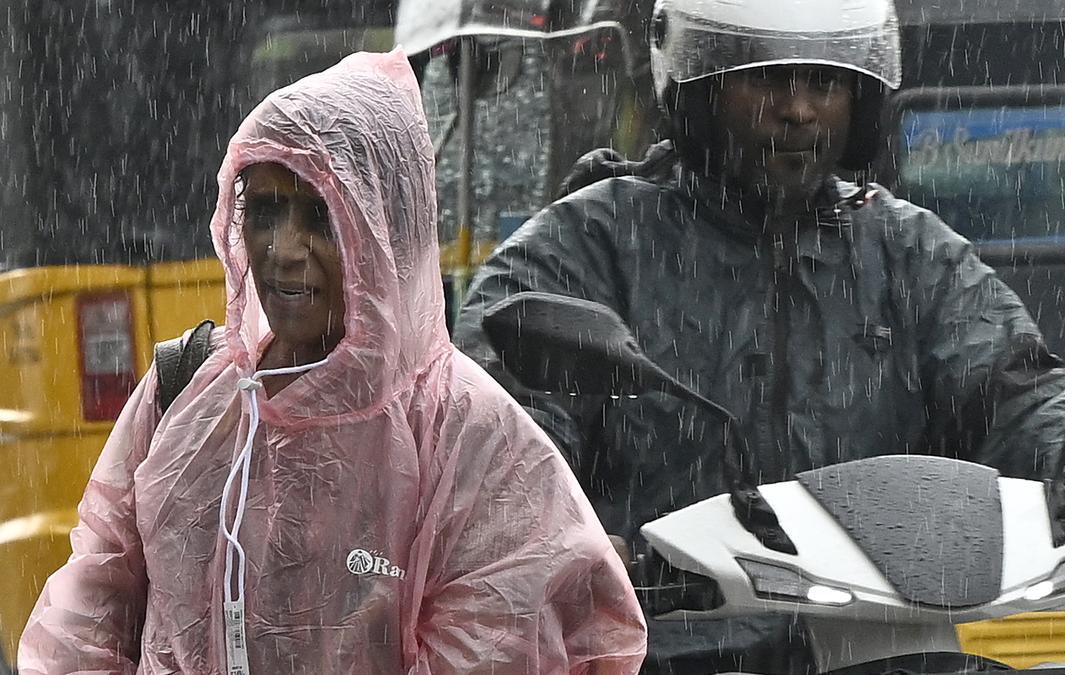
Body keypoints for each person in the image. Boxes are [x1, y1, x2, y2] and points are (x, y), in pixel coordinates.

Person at [453, 0, 1065, 671]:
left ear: (862, 103)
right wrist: (557, 545)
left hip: (885, 638)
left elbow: (1019, 393)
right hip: (654, 643)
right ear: (700, 90)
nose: (800, 111)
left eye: (826, 84)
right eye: (769, 81)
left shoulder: (906, 250)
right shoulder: (587, 245)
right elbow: (506, 429)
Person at [18, 49, 646, 674]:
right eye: (263, 211)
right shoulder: (185, 390)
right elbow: (89, 616)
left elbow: (499, 644)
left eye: (320, 216)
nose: (283, 250)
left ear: (386, 230)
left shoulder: (474, 440)